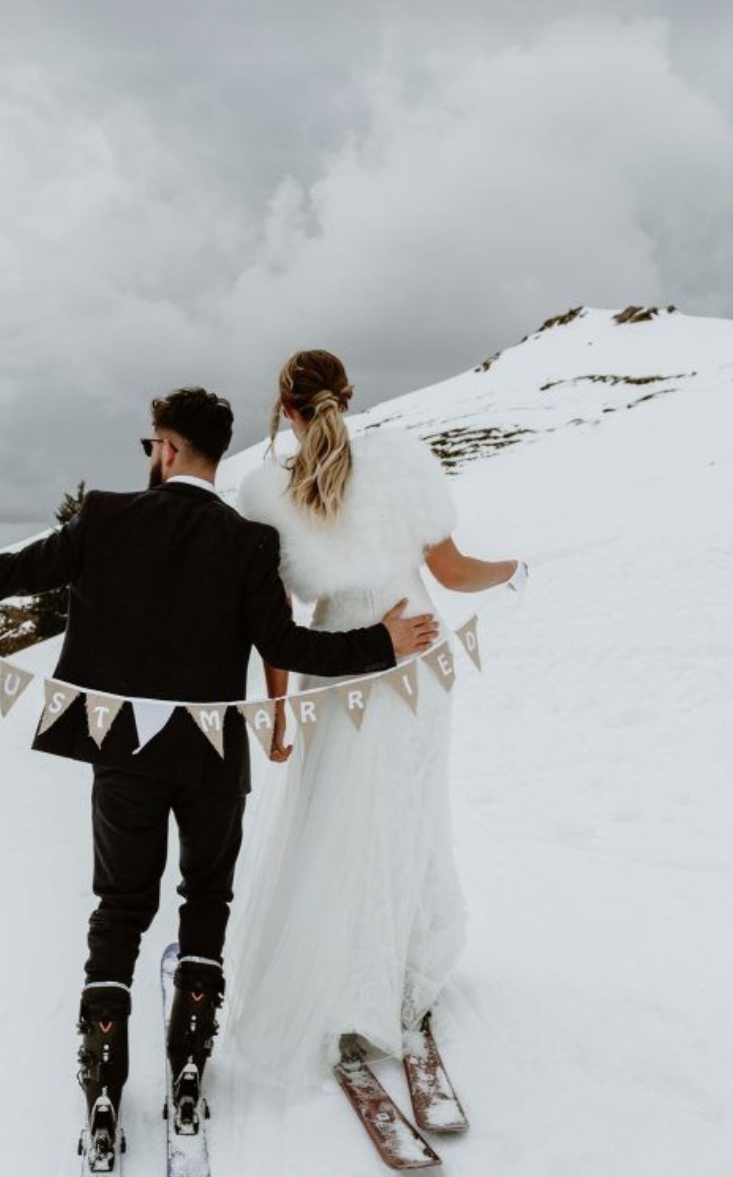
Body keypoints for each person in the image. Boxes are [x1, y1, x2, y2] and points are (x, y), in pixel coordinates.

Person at [0, 385, 441, 1166]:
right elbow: (289, 646)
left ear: (167, 449)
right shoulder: (249, 543)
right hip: (213, 760)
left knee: (120, 908)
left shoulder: (105, 519)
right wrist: (383, 643)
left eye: (152, 445)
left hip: (124, 752)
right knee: (206, 901)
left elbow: (4, 575)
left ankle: (104, 1081)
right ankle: (190, 1069)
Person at [225, 350, 526, 1095]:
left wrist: (280, 712)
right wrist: (514, 570)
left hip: (339, 661)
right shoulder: (402, 462)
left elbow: (275, 624)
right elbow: (454, 573)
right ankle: (400, 970)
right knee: (408, 811)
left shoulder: (267, 494)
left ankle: (349, 985)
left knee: (340, 822)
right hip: (418, 655)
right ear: (348, 397)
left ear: (285, 411)